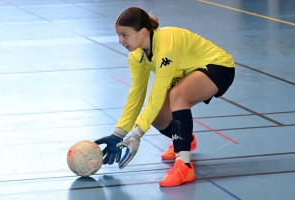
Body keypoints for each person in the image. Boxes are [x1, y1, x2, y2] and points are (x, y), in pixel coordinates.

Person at [95, 7, 235, 187]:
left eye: (125, 35)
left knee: (178, 94)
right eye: (119, 35)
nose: (120, 41)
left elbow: (158, 92)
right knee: (159, 119)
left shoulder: (166, 46)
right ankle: (186, 139)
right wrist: (119, 133)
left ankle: (184, 165)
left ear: (143, 32)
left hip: (218, 66)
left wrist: (136, 135)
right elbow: (136, 94)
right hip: (187, 74)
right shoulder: (137, 55)